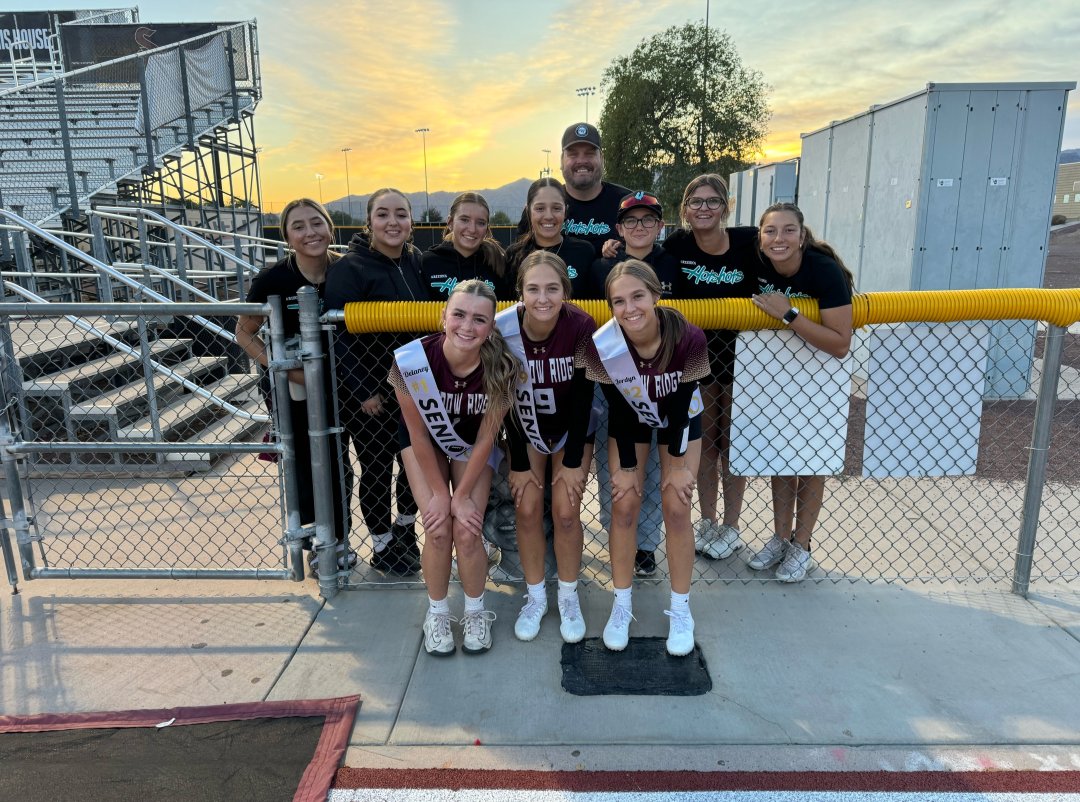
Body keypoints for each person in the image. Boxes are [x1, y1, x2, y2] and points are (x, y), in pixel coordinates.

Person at [587, 260, 710, 657]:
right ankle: (621, 604)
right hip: (631, 421)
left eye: (638, 296)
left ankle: (680, 609)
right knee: (624, 503)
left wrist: (675, 467)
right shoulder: (605, 342)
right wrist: (625, 469)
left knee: (677, 506)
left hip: (680, 418)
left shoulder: (688, 336)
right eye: (618, 301)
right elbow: (621, 410)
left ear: (656, 294)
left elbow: (680, 404)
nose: (629, 308)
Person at [390, 280, 519, 655]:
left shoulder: (503, 366)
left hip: (471, 446)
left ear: (491, 327)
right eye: (459, 314)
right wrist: (440, 498)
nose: (467, 326)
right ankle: (438, 613)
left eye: (480, 319)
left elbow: (486, 439)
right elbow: (417, 433)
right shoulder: (410, 362)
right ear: (443, 316)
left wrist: (460, 497)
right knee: (438, 526)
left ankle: (476, 612)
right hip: (423, 445)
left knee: (467, 528)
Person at [237, 198, 354, 575]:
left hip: (342, 385)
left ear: (329, 227)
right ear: (287, 236)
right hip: (294, 388)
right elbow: (244, 332)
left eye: (316, 223)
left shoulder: (347, 270)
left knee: (339, 465)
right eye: (299, 226)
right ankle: (318, 542)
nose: (310, 233)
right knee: (305, 462)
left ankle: (339, 538)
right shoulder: (274, 279)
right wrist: (283, 367)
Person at [747, 202, 854, 582]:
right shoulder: (758, 261)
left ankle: (802, 544)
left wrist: (789, 314)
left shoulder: (822, 270)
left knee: (810, 462)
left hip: (820, 374)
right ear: (759, 238)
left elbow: (841, 342)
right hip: (778, 375)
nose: (779, 238)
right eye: (770, 231)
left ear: (802, 236)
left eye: (788, 230)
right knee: (780, 458)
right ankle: (780, 536)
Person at [324, 188, 427, 577]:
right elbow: (339, 336)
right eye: (383, 214)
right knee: (378, 468)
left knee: (415, 463)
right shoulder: (351, 268)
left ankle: (404, 531)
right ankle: (382, 544)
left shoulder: (415, 261)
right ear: (370, 222)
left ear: (411, 221)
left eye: (401, 214)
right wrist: (364, 389)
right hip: (371, 394)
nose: (393, 222)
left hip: (413, 386)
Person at [496, 251, 596, 643]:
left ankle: (568, 596)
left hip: (572, 430)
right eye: (533, 289)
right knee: (527, 508)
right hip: (525, 429)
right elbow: (504, 399)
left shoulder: (581, 325)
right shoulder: (504, 329)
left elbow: (584, 396)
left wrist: (572, 461)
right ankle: (535, 596)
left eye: (552, 288)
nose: (542, 298)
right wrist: (518, 462)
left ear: (565, 291)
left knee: (567, 511)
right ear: (520, 292)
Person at [662, 175, 758, 565]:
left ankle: (731, 526)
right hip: (697, 356)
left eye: (712, 201)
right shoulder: (677, 244)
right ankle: (708, 520)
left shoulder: (749, 241)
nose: (703, 208)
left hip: (743, 354)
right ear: (684, 210)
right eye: (695, 202)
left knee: (733, 442)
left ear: (727, 206)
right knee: (706, 439)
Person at [589, 191, 680, 576]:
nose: (639, 227)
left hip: (663, 377)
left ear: (661, 225)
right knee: (617, 468)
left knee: (657, 467)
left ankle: (644, 545)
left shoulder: (675, 264)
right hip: (615, 376)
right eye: (631, 221)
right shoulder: (602, 266)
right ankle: (618, 535)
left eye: (648, 220)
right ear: (619, 228)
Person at [517, 123, 631, 257]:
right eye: (573, 154)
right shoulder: (541, 208)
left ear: (602, 159)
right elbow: (520, 258)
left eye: (589, 154)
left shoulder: (627, 203)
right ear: (561, 161)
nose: (581, 160)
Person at [505, 177, 595, 298]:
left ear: (565, 211)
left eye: (556, 208)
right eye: (540, 208)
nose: (548, 216)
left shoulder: (584, 252)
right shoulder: (514, 255)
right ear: (528, 211)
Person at [422, 191, 514, 301]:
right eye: (464, 220)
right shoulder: (428, 262)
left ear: (486, 228)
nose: (472, 229)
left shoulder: (498, 262)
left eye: (480, 223)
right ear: (450, 222)